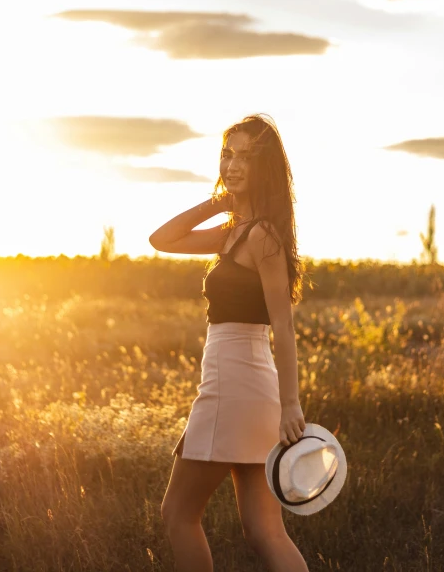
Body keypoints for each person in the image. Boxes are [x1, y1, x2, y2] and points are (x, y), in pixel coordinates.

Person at [149, 114, 309, 572]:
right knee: (264, 532)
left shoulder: (262, 237)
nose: (233, 164)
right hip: (246, 387)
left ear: (266, 168)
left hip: (233, 385)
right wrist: (217, 203)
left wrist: (292, 405)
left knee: (178, 515)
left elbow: (283, 325)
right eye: (228, 153)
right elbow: (161, 239)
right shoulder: (236, 232)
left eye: (246, 156)